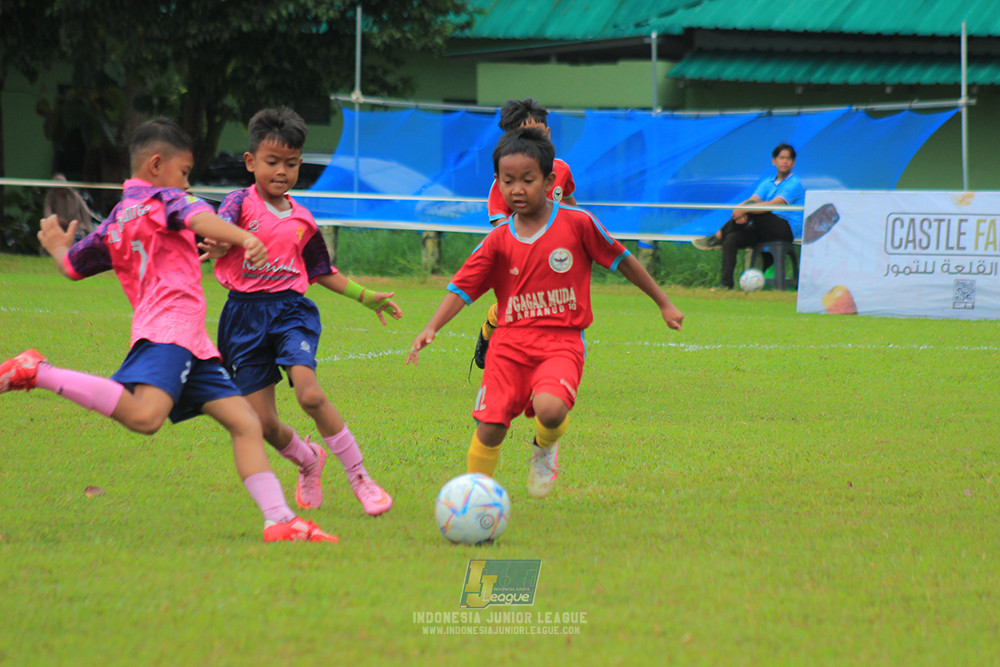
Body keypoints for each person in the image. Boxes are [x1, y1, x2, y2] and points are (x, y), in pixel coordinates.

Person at [0, 117, 336, 543]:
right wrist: (242, 237)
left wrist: (57, 249)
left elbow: (72, 267)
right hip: (169, 332)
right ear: (157, 165)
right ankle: (37, 371)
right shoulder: (167, 200)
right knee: (145, 417)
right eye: (184, 172)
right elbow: (197, 218)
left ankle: (280, 520)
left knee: (246, 424)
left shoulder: (117, 218)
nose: (186, 182)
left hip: (191, 343)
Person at [406, 127, 683, 498]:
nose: (516, 189)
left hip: (561, 341)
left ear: (549, 180)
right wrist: (432, 326)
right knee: (490, 428)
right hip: (508, 345)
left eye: (527, 180)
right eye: (507, 181)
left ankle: (544, 445)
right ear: (497, 183)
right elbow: (463, 287)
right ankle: (476, 501)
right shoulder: (498, 240)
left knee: (551, 410)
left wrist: (663, 302)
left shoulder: (577, 224)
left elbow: (623, 260)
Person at [207, 107, 399, 516]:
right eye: (272, 162)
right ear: (250, 161)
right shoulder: (238, 203)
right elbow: (218, 230)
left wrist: (367, 297)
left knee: (310, 394)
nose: (282, 172)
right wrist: (220, 245)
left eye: (291, 164)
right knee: (262, 425)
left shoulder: (301, 218)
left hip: (290, 311)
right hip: (242, 317)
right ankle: (308, 460)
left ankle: (361, 478)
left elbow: (321, 271)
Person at [472, 98, 578, 370]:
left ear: (549, 134)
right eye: (523, 137)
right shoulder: (508, 179)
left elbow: (569, 204)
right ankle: (494, 330)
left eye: (538, 135)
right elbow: (499, 220)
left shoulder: (562, 170)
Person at [692, 143, 805, 290]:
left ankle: (718, 236)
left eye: (788, 159)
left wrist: (745, 210)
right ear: (774, 161)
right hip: (763, 228)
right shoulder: (767, 183)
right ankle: (725, 284)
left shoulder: (794, 183)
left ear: (793, 163)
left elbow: (774, 205)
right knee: (732, 239)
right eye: (781, 158)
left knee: (755, 211)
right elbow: (753, 199)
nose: (785, 161)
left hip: (784, 230)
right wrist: (738, 210)